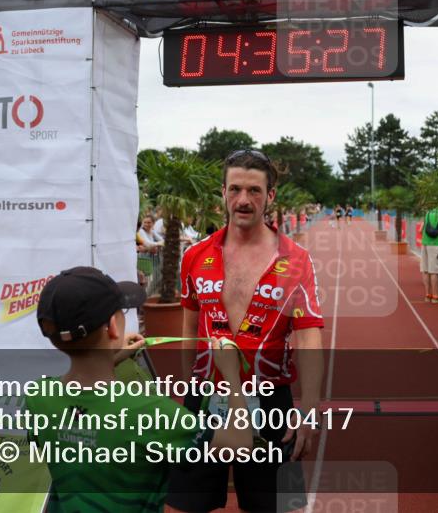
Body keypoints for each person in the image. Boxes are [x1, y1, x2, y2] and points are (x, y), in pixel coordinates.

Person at [168, 149, 323, 513]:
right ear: (223, 192)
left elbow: (308, 336)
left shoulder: (296, 260)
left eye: (254, 190)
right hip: (205, 398)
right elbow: (190, 326)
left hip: (270, 401)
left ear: (270, 196)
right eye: (235, 189)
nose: (243, 200)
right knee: (187, 505)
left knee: (273, 507)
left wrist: (309, 410)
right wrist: (187, 393)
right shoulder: (195, 256)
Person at [27, 266, 251, 512]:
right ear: (113, 326)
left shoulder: (39, 396)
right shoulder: (152, 412)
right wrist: (231, 374)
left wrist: (110, 357)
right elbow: (239, 444)